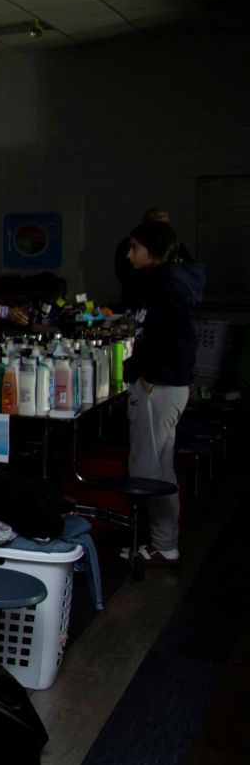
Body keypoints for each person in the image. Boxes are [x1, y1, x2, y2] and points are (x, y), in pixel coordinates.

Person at [121, 219, 205, 566]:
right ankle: (165, 541)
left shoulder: (166, 285)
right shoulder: (169, 282)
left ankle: (159, 542)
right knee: (160, 465)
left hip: (161, 387)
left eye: (134, 248)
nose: (128, 255)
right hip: (166, 385)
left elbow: (175, 338)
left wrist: (149, 376)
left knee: (145, 467)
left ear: (152, 253)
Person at [114, 208, 193, 310]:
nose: (164, 231)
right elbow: (122, 273)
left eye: (166, 226)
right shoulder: (130, 245)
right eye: (158, 226)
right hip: (135, 302)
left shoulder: (176, 249)